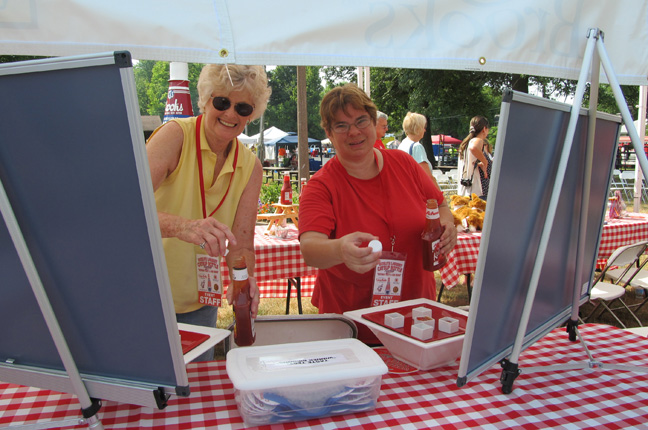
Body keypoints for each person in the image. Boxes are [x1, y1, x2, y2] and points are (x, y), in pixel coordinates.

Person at [298, 84, 457, 344]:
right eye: (341, 125)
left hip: (417, 315)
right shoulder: (321, 185)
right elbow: (310, 247)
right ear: (328, 132)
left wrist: (447, 227)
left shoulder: (405, 164)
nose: (354, 131)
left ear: (374, 122)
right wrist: (340, 250)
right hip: (354, 326)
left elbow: (439, 205)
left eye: (361, 120)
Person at [146, 64, 271, 360]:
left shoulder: (251, 166)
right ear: (205, 100)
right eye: (221, 102)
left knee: (194, 395)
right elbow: (123, 207)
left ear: (251, 114)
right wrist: (181, 227)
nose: (230, 115)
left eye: (242, 108)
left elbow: (241, 245)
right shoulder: (175, 135)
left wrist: (243, 281)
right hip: (144, 299)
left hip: (202, 304)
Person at [398, 112, 437, 185]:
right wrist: (439, 193)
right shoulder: (416, 147)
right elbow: (427, 176)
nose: (425, 130)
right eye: (423, 127)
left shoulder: (402, 145)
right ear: (418, 128)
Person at [458, 115, 491, 199]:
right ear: (484, 129)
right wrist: (485, 162)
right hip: (477, 190)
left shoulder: (466, 143)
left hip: (467, 189)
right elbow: (474, 148)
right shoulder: (478, 140)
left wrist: (479, 163)